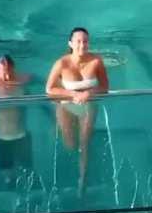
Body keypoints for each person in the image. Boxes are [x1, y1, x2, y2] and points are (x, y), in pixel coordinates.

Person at [46, 28, 109, 196]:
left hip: (88, 106)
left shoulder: (96, 61)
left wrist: (90, 93)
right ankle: (68, 164)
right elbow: (49, 89)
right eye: (79, 41)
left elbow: (105, 87)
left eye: (85, 41)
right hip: (66, 106)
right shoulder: (62, 63)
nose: (82, 45)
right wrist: (73, 93)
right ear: (71, 43)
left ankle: (83, 180)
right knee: (70, 144)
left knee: (84, 144)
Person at [0, 55, 32, 186]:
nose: (6, 75)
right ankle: (11, 188)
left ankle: (29, 194)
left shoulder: (21, 82)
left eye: (8, 70)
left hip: (21, 135)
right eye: (2, 70)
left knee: (28, 171)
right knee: (7, 173)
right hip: (2, 138)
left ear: (13, 69)